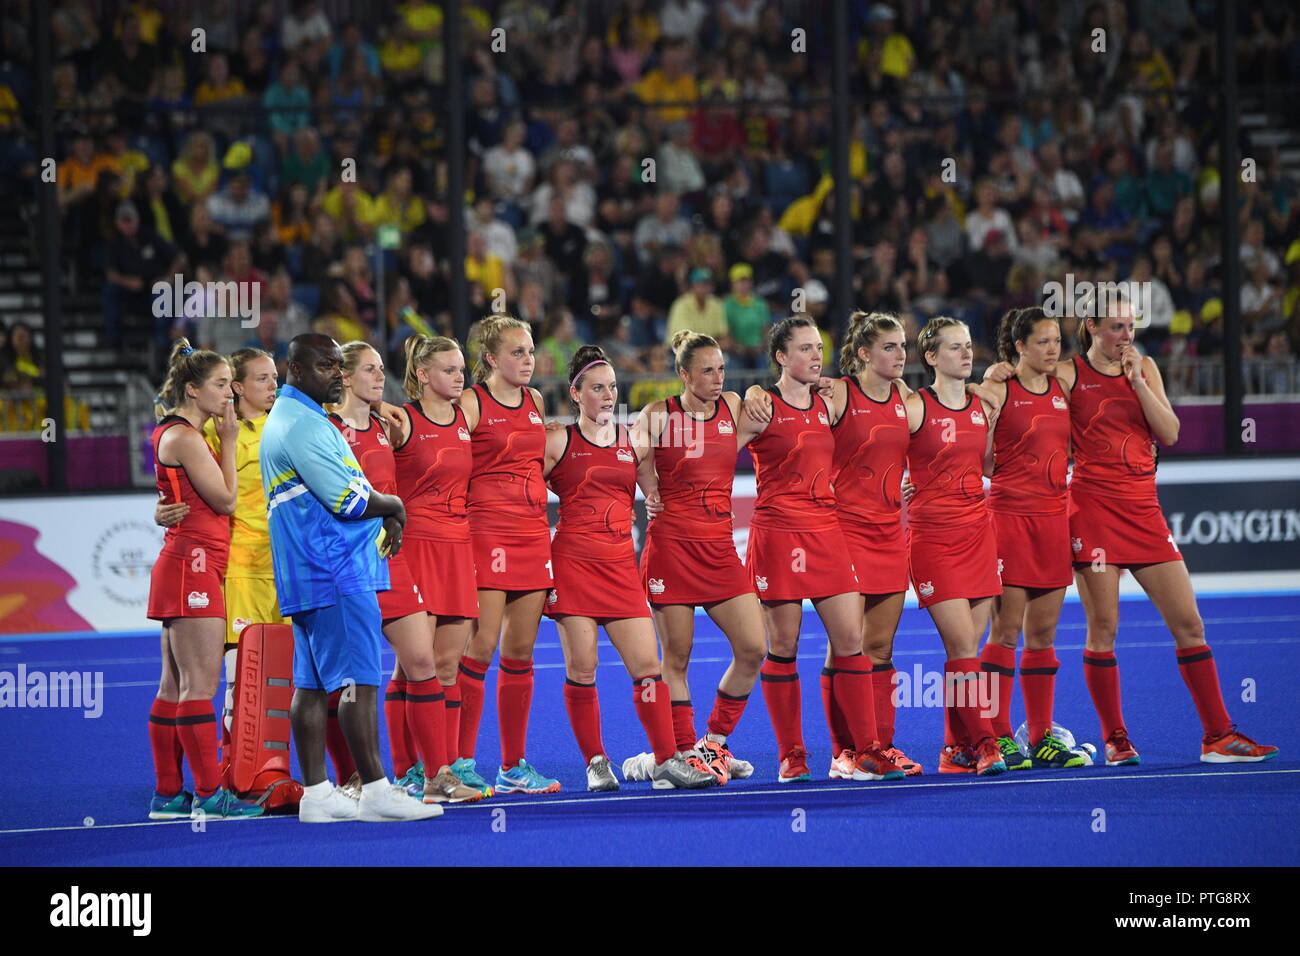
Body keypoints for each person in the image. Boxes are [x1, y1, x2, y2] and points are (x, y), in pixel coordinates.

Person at [985, 298, 1278, 765]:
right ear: (1092, 328)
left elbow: (1170, 432)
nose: (1126, 335)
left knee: (1190, 623)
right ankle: (1115, 739)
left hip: (1144, 509)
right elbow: (1025, 383)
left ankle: (1218, 736)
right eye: (1116, 327)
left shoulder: (1144, 366)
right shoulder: (1068, 373)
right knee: (1104, 628)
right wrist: (996, 373)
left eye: (1130, 326)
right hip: (1092, 510)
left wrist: (1138, 382)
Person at [260, 333, 439, 822]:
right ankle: (377, 789)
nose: (336, 375)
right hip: (335, 569)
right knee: (360, 680)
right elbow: (351, 500)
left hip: (310, 571)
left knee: (313, 685)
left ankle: (317, 793)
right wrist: (396, 506)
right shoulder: (304, 425)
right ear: (295, 369)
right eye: (325, 366)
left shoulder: (297, 418)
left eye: (339, 366)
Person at [736, 316, 906, 784]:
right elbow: (715, 451)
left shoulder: (829, 401)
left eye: (819, 348)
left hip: (827, 532)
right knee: (784, 646)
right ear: (781, 357)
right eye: (805, 349)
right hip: (778, 535)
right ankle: (792, 754)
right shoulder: (760, 405)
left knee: (851, 643)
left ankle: (864, 751)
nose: (815, 356)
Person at [543, 345, 717, 791]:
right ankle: (596, 761)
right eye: (597, 388)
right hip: (574, 565)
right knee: (583, 668)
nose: (606, 395)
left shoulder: (631, 441)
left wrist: (658, 495)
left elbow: (660, 482)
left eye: (612, 388)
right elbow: (517, 490)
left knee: (648, 667)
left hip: (620, 567)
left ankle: (664, 761)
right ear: (575, 394)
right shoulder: (557, 440)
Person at [327, 341, 483, 805]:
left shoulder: (383, 426)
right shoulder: (326, 429)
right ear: (346, 377)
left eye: (381, 368)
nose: (380, 376)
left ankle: (435, 775)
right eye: (371, 370)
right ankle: (351, 776)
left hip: (392, 558)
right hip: (345, 562)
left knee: (421, 663)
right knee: (340, 677)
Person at [155, 348, 303, 799]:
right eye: (262, 379)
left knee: (277, 684)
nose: (274, 386)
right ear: (235, 387)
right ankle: (229, 779)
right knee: (239, 686)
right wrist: (163, 509)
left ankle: (266, 774)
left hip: (282, 573)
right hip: (233, 570)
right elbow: (209, 495)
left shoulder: (292, 427)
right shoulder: (217, 434)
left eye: (275, 377)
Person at [624, 330, 765, 785]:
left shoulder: (734, 407)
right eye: (707, 370)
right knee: (676, 658)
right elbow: (631, 453)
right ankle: (680, 756)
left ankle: (714, 744)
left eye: (722, 368)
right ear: (684, 374)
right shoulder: (658, 415)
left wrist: (776, 387)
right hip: (671, 551)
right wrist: (649, 488)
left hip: (721, 550)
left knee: (753, 649)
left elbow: (779, 404)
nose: (718, 377)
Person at [145, 339, 264, 820]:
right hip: (193, 564)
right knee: (199, 685)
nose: (228, 397)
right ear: (193, 390)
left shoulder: (175, 432)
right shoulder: (189, 438)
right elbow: (227, 502)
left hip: (185, 560)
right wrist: (232, 438)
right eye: (220, 386)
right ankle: (211, 795)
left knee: (173, 685)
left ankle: (169, 794)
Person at [454, 316, 562, 795]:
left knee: (521, 653)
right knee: (480, 648)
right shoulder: (472, 402)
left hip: (532, 532)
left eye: (531, 351)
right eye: (517, 352)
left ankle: (513, 765)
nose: (528, 360)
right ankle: (458, 761)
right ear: (492, 359)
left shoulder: (536, 401)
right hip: (488, 533)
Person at [979, 309, 1084, 769]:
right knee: (1006, 629)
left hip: (1053, 521)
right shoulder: (1000, 388)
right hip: (1009, 519)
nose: (1053, 348)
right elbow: (981, 459)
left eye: (1056, 340)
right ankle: (997, 734)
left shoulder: (1064, 387)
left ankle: (1042, 737)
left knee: (1042, 634)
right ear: (1019, 347)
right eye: (1042, 341)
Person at [905, 316, 1007, 776]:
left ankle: (953, 749)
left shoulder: (981, 405)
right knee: (964, 643)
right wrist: (899, 482)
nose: (967, 354)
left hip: (977, 533)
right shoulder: (912, 404)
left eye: (968, 346)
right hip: (932, 538)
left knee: (967, 649)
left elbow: (987, 464)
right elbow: (872, 451)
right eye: (954, 348)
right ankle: (985, 744)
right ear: (931, 357)